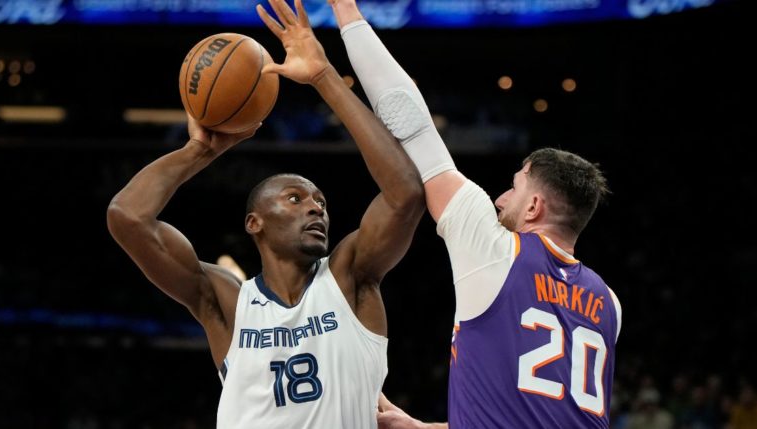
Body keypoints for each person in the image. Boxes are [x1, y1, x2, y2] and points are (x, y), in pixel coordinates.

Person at [106, 0, 424, 427]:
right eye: (295, 198)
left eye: (321, 203)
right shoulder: (227, 301)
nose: (315, 206)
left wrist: (323, 76)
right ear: (253, 223)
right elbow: (128, 217)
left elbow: (404, 194)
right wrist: (199, 150)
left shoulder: (350, 279)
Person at [327, 1, 622, 427]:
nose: (501, 198)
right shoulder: (608, 303)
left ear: (535, 206)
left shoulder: (496, 251)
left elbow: (411, 122)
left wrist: (346, 14)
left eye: (515, 187)